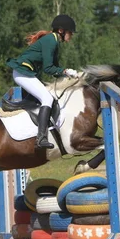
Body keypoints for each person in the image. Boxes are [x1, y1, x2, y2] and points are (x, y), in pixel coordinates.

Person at [6, 14, 80, 150]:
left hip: (26, 73)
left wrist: (68, 75)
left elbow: (55, 68)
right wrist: (65, 71)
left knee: (44, 97)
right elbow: (48, 68)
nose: (72, 35)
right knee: (46, 97)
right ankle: (41, 138)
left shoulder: (54, 41)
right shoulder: (50, 41)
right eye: (70, 32)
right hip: (22, 73)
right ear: (61, 31)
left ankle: (33, 132)